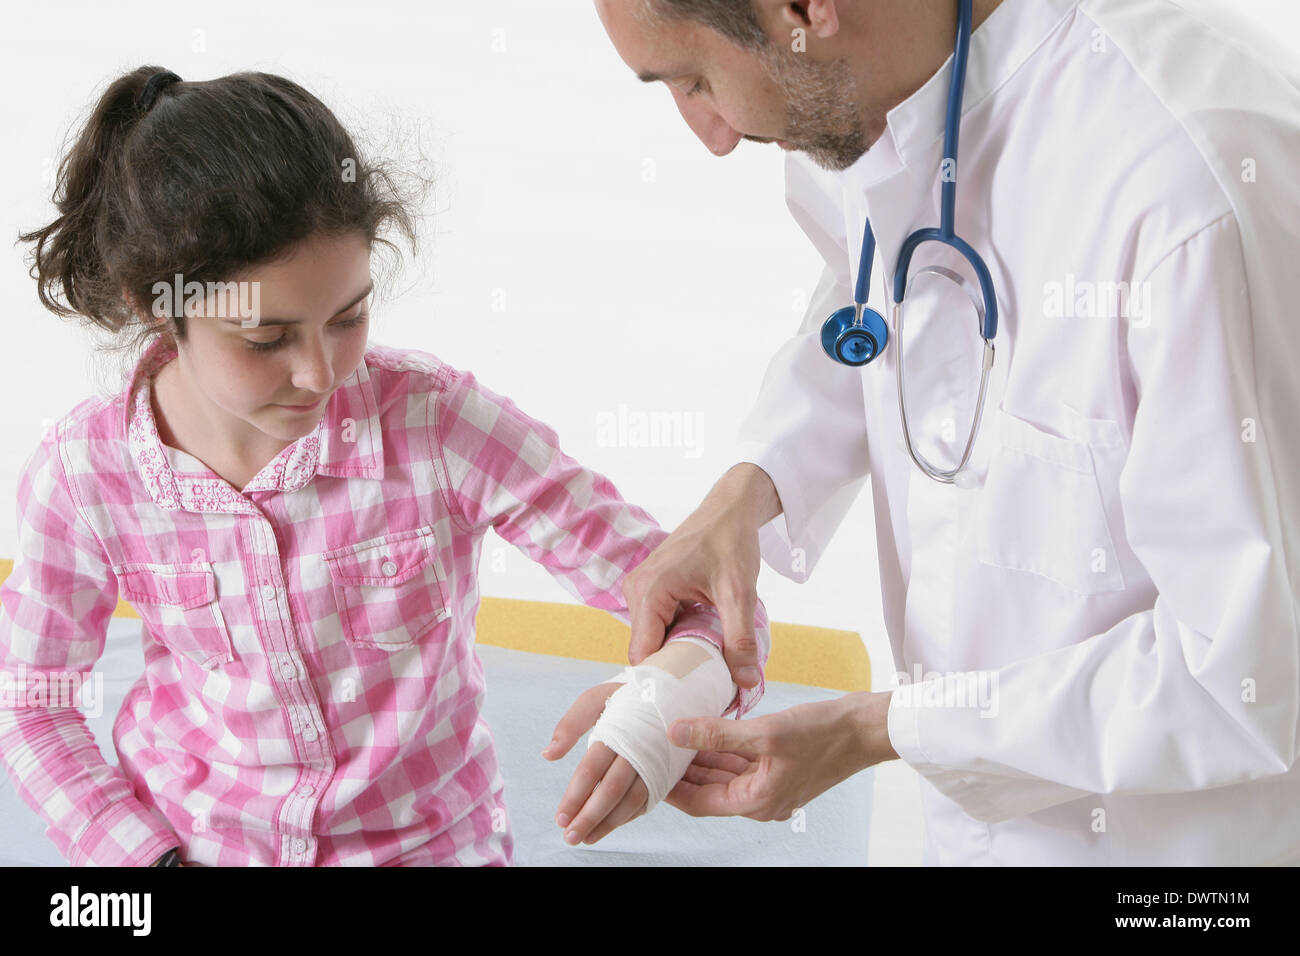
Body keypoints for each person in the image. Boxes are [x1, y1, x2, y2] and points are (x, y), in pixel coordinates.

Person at [0, 66, 770, 866]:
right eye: (266, 340)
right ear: (153, 304)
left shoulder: (437, 425)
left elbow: (702, 600)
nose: (320, 373)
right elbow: (31, 706)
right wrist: (147, 862)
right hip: (190, 846)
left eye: (349, 316)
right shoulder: (83, 475)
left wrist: (662, 701)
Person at [594, 0, 1300, 864]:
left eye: (695, 80)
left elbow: (1248, 676)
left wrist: (877, 728)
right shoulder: (879, 87)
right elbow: (891, 295)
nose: (711, 134)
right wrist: (751, 486)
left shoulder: (1189, 198)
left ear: (802, 11)